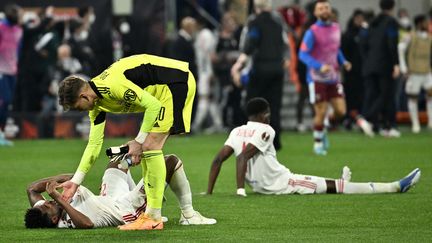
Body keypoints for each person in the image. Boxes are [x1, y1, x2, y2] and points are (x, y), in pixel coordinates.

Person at [57, 54, 196, 230]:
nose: (79, 111)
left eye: (77, 107)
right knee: (147, 148)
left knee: (149, 146)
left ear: (84, 97)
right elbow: (94, 144)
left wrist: (138, 141)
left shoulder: (112, 85)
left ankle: (153, 218)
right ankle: (156, 215)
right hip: (162, 93)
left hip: (175, 82)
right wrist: (76, 181)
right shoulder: (97, 105)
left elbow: (152, 105)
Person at [206, 97, 421, 196]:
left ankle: (340, 182)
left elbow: (217, 160)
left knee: (329, 184)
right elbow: (243, 157)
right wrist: (240, 191)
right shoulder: (266, 130)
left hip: (263, 186)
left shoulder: (236, 131)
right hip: (281, 184)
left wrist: (209, 192)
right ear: (264, 115)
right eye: (269, 113)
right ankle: (394, 186)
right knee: (334, 189)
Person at [25, 154, 216, 229]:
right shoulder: (66, 222)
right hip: (124, 209)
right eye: (48, 205)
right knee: (169, 162)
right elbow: (87, 224)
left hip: (108, 198)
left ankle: (149, 202)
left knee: (119, 159)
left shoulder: (44, 210)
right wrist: (58, 196)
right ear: (52, 219)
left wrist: (54, 182)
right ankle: (188, 214)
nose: (49, 202)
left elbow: (31, 189)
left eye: (47, 201)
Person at [231, 0, 290, 151]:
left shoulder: (254, 22)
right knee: (274, 107)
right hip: (277, 69)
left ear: (256, 7)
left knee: (254, 105)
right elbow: (285, 43)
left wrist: (238, 65)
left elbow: (251, 44)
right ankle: (275, 142)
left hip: (260, 69)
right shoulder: (278, 24)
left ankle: (252, 139)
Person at [298, 0, 351, 155]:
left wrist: (344, 61)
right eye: (320, 8)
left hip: (334, 77)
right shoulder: (312, 32)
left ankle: (325, 126)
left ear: (330, 10)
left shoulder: (336, 28)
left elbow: (336, 49)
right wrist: (319, 65)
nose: (324, 10)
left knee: (341, 111)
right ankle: (318, 143)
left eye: (326, 8)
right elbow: (302, 54)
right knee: (320, 111)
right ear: (315, 13)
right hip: (316, 78)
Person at [360, 0, 400, 137]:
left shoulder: (372, 22)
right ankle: (367, 119)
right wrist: (396, 63)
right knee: (386, 94)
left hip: (369, 64)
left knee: (373, 95)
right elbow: (391, 43)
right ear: (393, 7)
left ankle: (381, 126)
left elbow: (363, 43)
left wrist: (368, 60)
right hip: (384, 64)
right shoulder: (391, 22)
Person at [398, 14, 432, 133]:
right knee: (413, 97)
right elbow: (401, 48)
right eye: (425, 22)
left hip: (427, 71)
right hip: (414, 71)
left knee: (430, 95)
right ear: (419, 23)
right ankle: (415, 124)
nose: (428, 24)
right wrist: (403, 67)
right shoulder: (410, 36)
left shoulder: (429, 37)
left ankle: (431, 122)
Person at [0, 4, 22, 146]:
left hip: (12, 71)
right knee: (4, 100)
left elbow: (17, 50)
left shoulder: (19, 30)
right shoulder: (1, 28)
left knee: (7, 103)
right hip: (1, 70)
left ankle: (1, 134)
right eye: (20, 14)